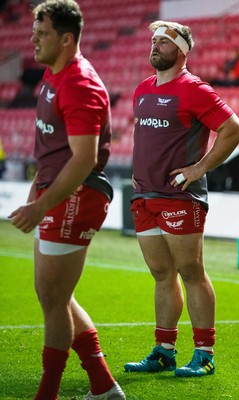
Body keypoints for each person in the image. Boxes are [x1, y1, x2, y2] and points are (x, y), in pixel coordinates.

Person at [8, 1, 126, 399]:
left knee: (54, 299)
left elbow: (84, 157)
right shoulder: (52, 74)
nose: (33, 40)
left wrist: (41, 205)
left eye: (41, 34)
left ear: (66, 38)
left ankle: (48, 393)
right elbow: (53, 148)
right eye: (34, 32)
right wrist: (36, 192)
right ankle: (104, 386)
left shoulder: (80, 84)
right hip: (56, 190)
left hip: (78, 193)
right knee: (53, 295)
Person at [124, 20, 239, 377]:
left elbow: (233, 130)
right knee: (161, 274)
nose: (155, 46)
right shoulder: (142, 89)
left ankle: (204, 354)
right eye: (154, 41)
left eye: (164, 41)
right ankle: (164, 351)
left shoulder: (195, 89)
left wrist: (198, 168)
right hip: (145, 195)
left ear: (181, 51)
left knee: (191, 272)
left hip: (181, 196)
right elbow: (146, 136)